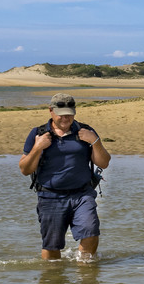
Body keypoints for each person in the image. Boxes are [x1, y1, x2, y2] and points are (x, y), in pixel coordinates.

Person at [18, 92, 111, 262]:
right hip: (50, 196)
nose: (65, 118)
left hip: (82, 194)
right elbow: (24, 169)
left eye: (69, 114)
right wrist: (38, 147)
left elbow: (104, 163)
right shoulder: (38, 133)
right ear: (51, 111)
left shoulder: (86, 131)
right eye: (61, 114)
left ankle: (86, 277)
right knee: (51, 247)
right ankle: (53, 283)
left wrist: (95, 141)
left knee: (91, 231)